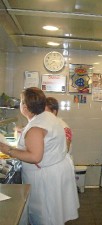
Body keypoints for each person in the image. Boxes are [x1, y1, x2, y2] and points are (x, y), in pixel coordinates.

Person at [0, 87, 79, 225]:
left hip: (45, 178)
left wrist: (7, 149)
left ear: (25, 106)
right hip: (56, 171)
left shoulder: (36, 127)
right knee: (54, 214)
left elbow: (35, 157)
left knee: (45, 216)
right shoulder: (47, 116)